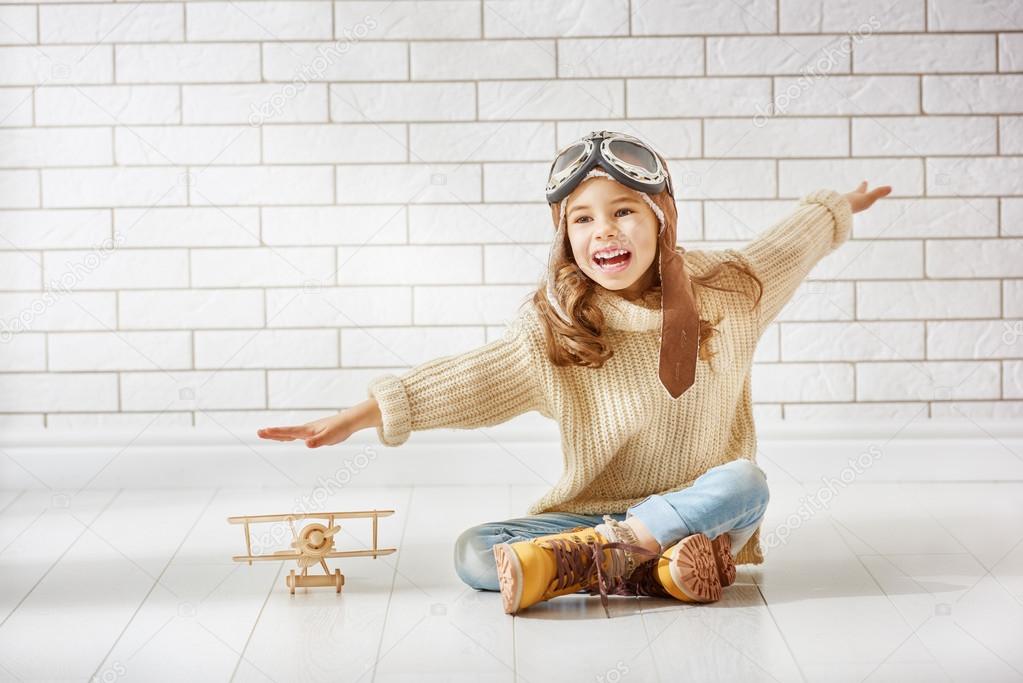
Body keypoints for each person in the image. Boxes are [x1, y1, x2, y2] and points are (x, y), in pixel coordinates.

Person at [257, 130, 892, 618]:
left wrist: (842, 205)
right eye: (582, 218)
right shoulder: (558, 326)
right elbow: (470, 380)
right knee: (475, 552)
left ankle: (616, 559)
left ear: (661, 217)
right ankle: (653, 568)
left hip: (706, 511)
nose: (603, 231)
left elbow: (796, 240)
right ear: (564, 235)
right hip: (589, 520)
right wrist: (365, 413)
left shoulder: (731, 289)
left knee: (746, 483)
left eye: (624, 211)